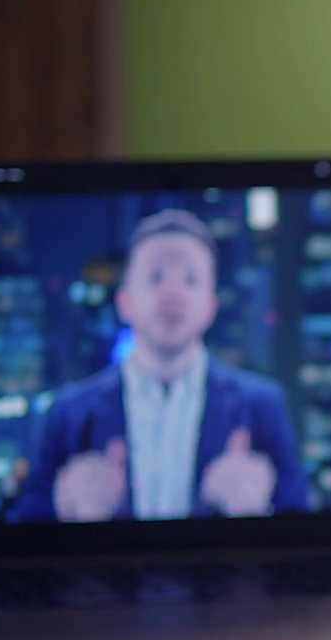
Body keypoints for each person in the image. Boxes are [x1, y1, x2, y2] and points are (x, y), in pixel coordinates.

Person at [16, 209, 307, 522]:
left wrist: (261, 511)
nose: (173, 293)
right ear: (125, 302)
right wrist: (66, 509)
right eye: (156, 277)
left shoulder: (262, 406)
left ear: (211, 307)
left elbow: (303, 524)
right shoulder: (68, 413)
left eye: (191, 279)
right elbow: (23, 528)